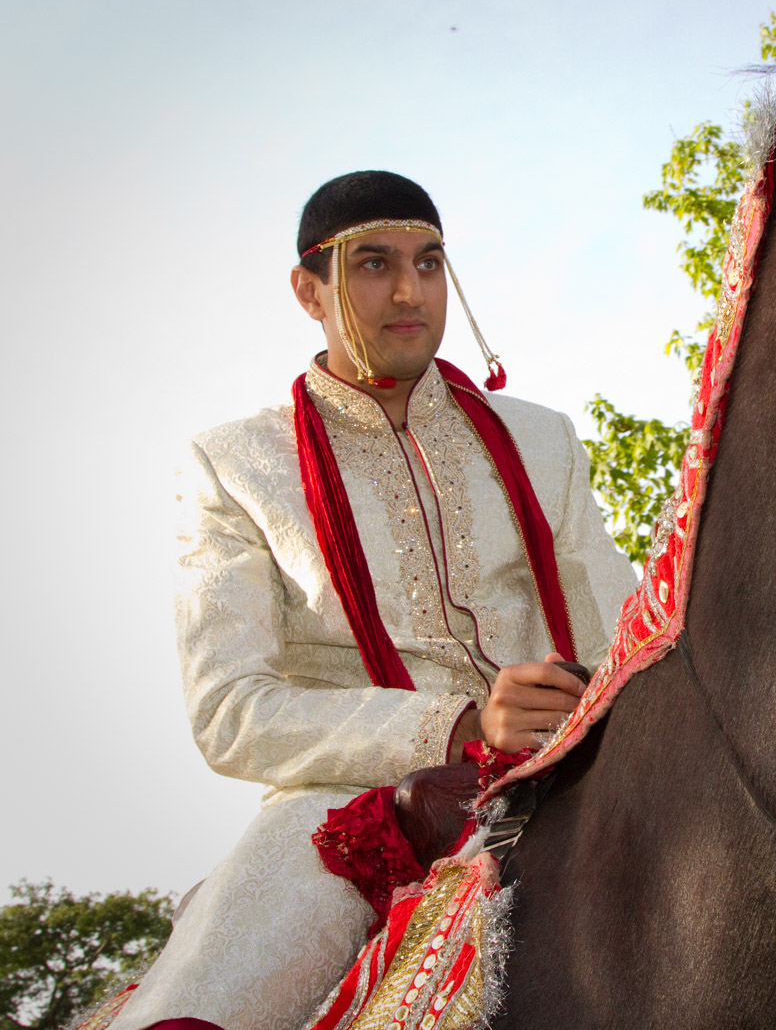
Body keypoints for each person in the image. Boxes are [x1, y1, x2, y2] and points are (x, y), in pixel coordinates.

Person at [105, 171, 637, 1030]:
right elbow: (231, 711)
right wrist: (457, 728)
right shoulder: (237, 466)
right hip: (339, 811)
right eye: (373, 264)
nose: (407, 291)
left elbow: (623, 624)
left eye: (430, 263)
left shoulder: (543, 438)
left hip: (572, 763)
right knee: (206, 1012)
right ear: (306, 290)